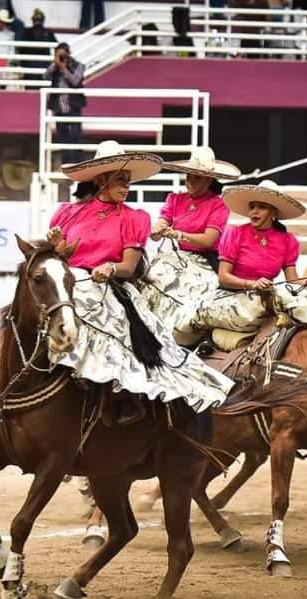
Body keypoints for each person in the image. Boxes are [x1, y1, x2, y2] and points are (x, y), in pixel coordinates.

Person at [47, 140, 236, 425]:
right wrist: (56, 246)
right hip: (69, 283)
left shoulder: (134, 218)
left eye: (128, 180)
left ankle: (115, 393)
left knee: (122, 329)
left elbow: (129, 266)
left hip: (107, 286)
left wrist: (109, 268)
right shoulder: (67, 212)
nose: (127, 186)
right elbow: (58, 257)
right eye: (120, 179)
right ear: (101, 179)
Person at [172, 180, 307, 347]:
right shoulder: (235, 233)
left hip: (264, 299)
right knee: (189, 316)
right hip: (231, 297)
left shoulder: (288, 241)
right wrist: (252, 284)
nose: (254, 211)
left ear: (273, 212)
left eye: (261, 207)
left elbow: (292, 281)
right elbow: (223, 278)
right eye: (252, 206)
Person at [140, 147, 241, 330]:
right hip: (177, 257)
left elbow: (209, 240)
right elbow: (160, 226)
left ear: (209, 179)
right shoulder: (175, 199)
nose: (190, 181)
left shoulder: (218, 204)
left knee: (203, 290)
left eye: (197, 177)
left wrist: (179, 235)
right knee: (150, 277)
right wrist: (157, 230)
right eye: (188, 176)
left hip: (206, 260)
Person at [44, 42, 85, 165]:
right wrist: (55, 64)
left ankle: (77, 163)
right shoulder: (54, 66)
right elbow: (45, 76)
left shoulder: (78, 66)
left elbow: (75, 81)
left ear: (68, 53)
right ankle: (66, 163)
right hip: (59, 107)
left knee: (75, 135)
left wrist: (64, 69)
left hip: (73, 107)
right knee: (62, 136)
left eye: (63, 54)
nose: (61, 57)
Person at [17, 8, 55, 80]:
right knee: (44, 88)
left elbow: (20, 49)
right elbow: (57, 47)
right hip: (44, 66)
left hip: (29, 66)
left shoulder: (26, 32)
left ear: (32, 20)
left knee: (30, 89)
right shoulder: (48, 33)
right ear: (43, 20)